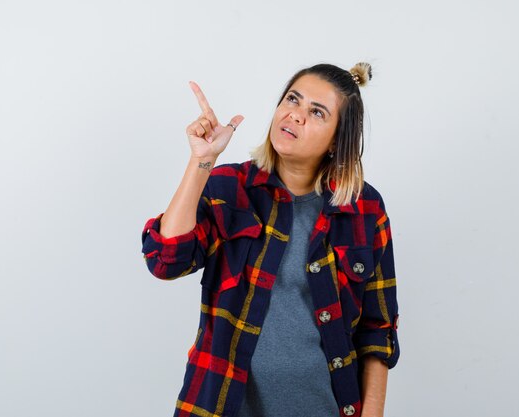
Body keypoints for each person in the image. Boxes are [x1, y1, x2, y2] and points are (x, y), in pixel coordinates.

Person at [141, 62, 400, 417]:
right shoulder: (228, 188)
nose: (295, 115)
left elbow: (377, 329)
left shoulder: (365, 209)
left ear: (336, 139)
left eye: (317, 112)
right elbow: (164, 260)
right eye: (293, 99)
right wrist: (201, 161)